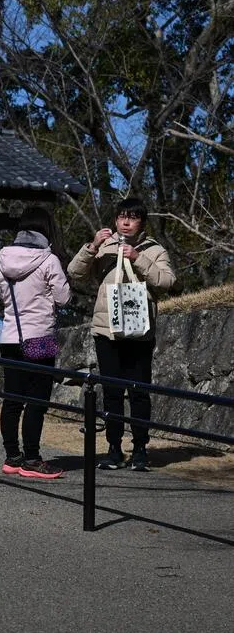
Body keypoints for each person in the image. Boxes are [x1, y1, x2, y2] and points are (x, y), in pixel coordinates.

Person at [68, 196, 176, 472]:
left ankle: (140, 449)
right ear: (115, 220)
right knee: (112, 392)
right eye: (121, 217)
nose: (126, 222)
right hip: (107, 331)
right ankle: (113, 449)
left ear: (142, 222)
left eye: (133, 217)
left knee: (139, 393)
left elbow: (167, 282)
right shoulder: (104, 246)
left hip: (139, 333)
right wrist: (91, 247)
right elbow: (74, 273)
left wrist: (138, 259)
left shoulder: (154, 250)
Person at [0, 207, 71, 480]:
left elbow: (2, 294)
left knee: (12, 399)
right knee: (37, 400)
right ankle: (32, 459)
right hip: (40, 337)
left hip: (10, 337)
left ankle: (12, 456)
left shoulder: (4, 256)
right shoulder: (49, 259)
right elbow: (64, 298)